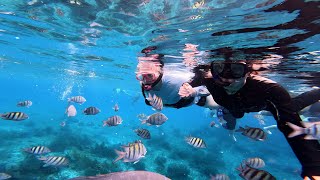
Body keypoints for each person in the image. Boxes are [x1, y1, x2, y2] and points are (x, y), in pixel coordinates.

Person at [179, 59, 320, 179]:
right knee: (236, 114)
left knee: (292, 107)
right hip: (233, 108)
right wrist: (188, 86)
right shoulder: (209, 78)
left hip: (260, 105)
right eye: (220, 71)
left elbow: (289, 124)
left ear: (248, 72)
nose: (227, 81)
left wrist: (313, 165)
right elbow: (197, 77)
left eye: (236, 71)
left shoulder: (270, 89)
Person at [136, 60, 219, 109]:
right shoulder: (142, 84)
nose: (145, 81)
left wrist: (194, 92)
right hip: (175, 104)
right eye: (140, 76)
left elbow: (209, 88)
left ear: (160, 73)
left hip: (198, 100)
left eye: (150, 76)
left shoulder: (178, 79)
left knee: (221, 105)